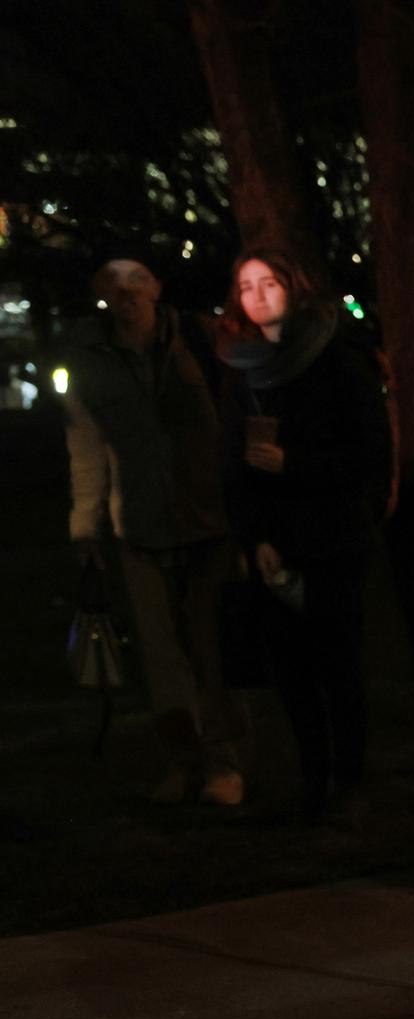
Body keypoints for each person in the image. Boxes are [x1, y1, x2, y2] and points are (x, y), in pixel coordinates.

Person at [60, 254, 242, 806]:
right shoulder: (89, 359)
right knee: (161, 659)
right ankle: (181, 761)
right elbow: (86, 445)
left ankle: (225, 763)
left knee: (215, 652)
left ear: (157, 288)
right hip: (137, 525)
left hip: (208, 520)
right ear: (100, 294)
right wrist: (86, 526)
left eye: (137, 281)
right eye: (114, 284)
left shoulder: (201, 341)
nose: (127, 293)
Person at [216, 250, 391, 824]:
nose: (258, 295)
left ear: (294, 288)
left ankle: (351, 781)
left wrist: (295, 462)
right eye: (246, 286)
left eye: (270, 282)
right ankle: (312, 782)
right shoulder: (241, 369)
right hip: (274, 541)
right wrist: (254, 537)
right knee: (289, 670)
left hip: (333, 535)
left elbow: (367, 454)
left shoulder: (335, 361)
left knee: (337, 664)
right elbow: (232, 465)